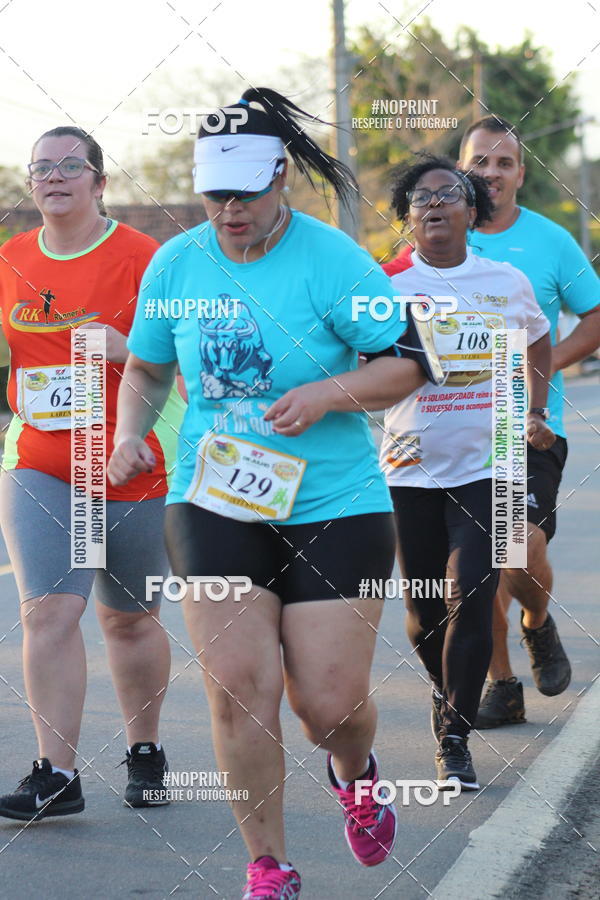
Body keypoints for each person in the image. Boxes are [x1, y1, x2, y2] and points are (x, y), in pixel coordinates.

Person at [107, 87, 433, 900]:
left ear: (280, 175)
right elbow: (147, 366)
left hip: (335, 503)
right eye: (215, 193)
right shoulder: (176, 264)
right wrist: (127, 431)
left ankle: (354, 771)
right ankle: (270, 866)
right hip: (214, 502)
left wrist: (326, 395)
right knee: (239, 692)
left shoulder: (334, 262)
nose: (228, 210)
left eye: (246, 192)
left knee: (325, 706)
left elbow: (404, 364)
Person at [0, 127, 185, 821]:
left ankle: (145, 749)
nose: (54, 176)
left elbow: (191, 363)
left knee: (128, 622)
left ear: (99, 182)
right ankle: (56, 774)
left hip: (132, 463)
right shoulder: (10, 260)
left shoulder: (145, 260)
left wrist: (125, 345)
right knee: (48, 610)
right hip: (41, 464)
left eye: (70, 165)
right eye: (41, 167)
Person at [381, 155, 555, 790]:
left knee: (472, 595)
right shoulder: (387, 286)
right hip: (409, 467)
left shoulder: (505, 281)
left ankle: (454, 734)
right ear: (407, 215)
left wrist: (533, 406)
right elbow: (354, 360)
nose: (434, 205)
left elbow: (539, 338)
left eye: (449, 194)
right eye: (420, 198)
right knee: (424, 611)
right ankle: (447, 693)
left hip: (495, 458)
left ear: (472, 209)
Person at [456, 117, 600, 727]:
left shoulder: (550, 242)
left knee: (517, 548)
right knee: (469, 566)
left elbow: (593, 317)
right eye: (479, 161)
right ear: (461, 168)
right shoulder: (431, 234)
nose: (490, 172)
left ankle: (537, 622)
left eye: (503, 162)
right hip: (451, 429)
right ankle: (503, 685)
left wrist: (536, 367)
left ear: (519, 173)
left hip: (528, 423)